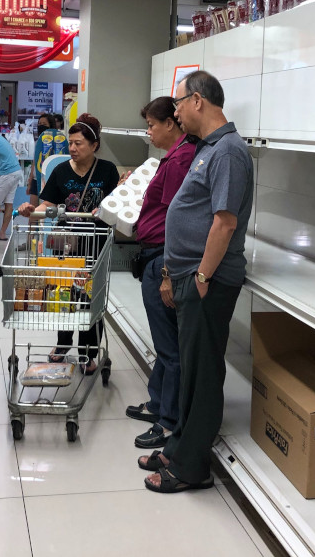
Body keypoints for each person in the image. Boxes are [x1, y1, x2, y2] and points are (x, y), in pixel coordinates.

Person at [139, 70, 253, 494]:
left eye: (179, 102)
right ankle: (179, 445)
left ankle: (191, 468)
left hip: (207, 281)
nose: (176, 111)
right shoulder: (208, 149)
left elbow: (224, 223)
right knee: (191, 372)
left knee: (203, 376)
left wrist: (202, 276)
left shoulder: (227, 153)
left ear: (199, 100)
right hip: (191, 277)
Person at [17, 113, 119, 374]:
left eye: (78, 143)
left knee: (91, 299)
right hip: (67, 245)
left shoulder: (107, 170)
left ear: (94, 145)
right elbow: (47, 203)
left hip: (96, 244)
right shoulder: (61, 171)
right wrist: (33, 210)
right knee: (65, 294)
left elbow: (114, 206)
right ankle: (63, 344)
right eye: (70, 143)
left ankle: (88, 352)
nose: (72, 148)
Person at [124, 97, 197, 450]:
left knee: (170, 348)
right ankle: (158, 404)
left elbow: (177, 223)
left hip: (163, 260)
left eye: (152, 125)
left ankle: (169, 422)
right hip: (154, 257)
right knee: (164, 344)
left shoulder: (181, 160)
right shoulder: (170, 158)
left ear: (172, 123)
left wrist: (168, 272)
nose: (149, 132)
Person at [27, 113, 67, 205]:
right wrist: (30, 182)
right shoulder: (38, 142)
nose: (41, 126)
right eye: (39, 124)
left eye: (44, 124)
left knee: (46, 212)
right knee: (33, 213)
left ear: (51, 125)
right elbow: (35, 161)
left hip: (50, 179)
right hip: (36, 179)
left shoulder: (59, 141)